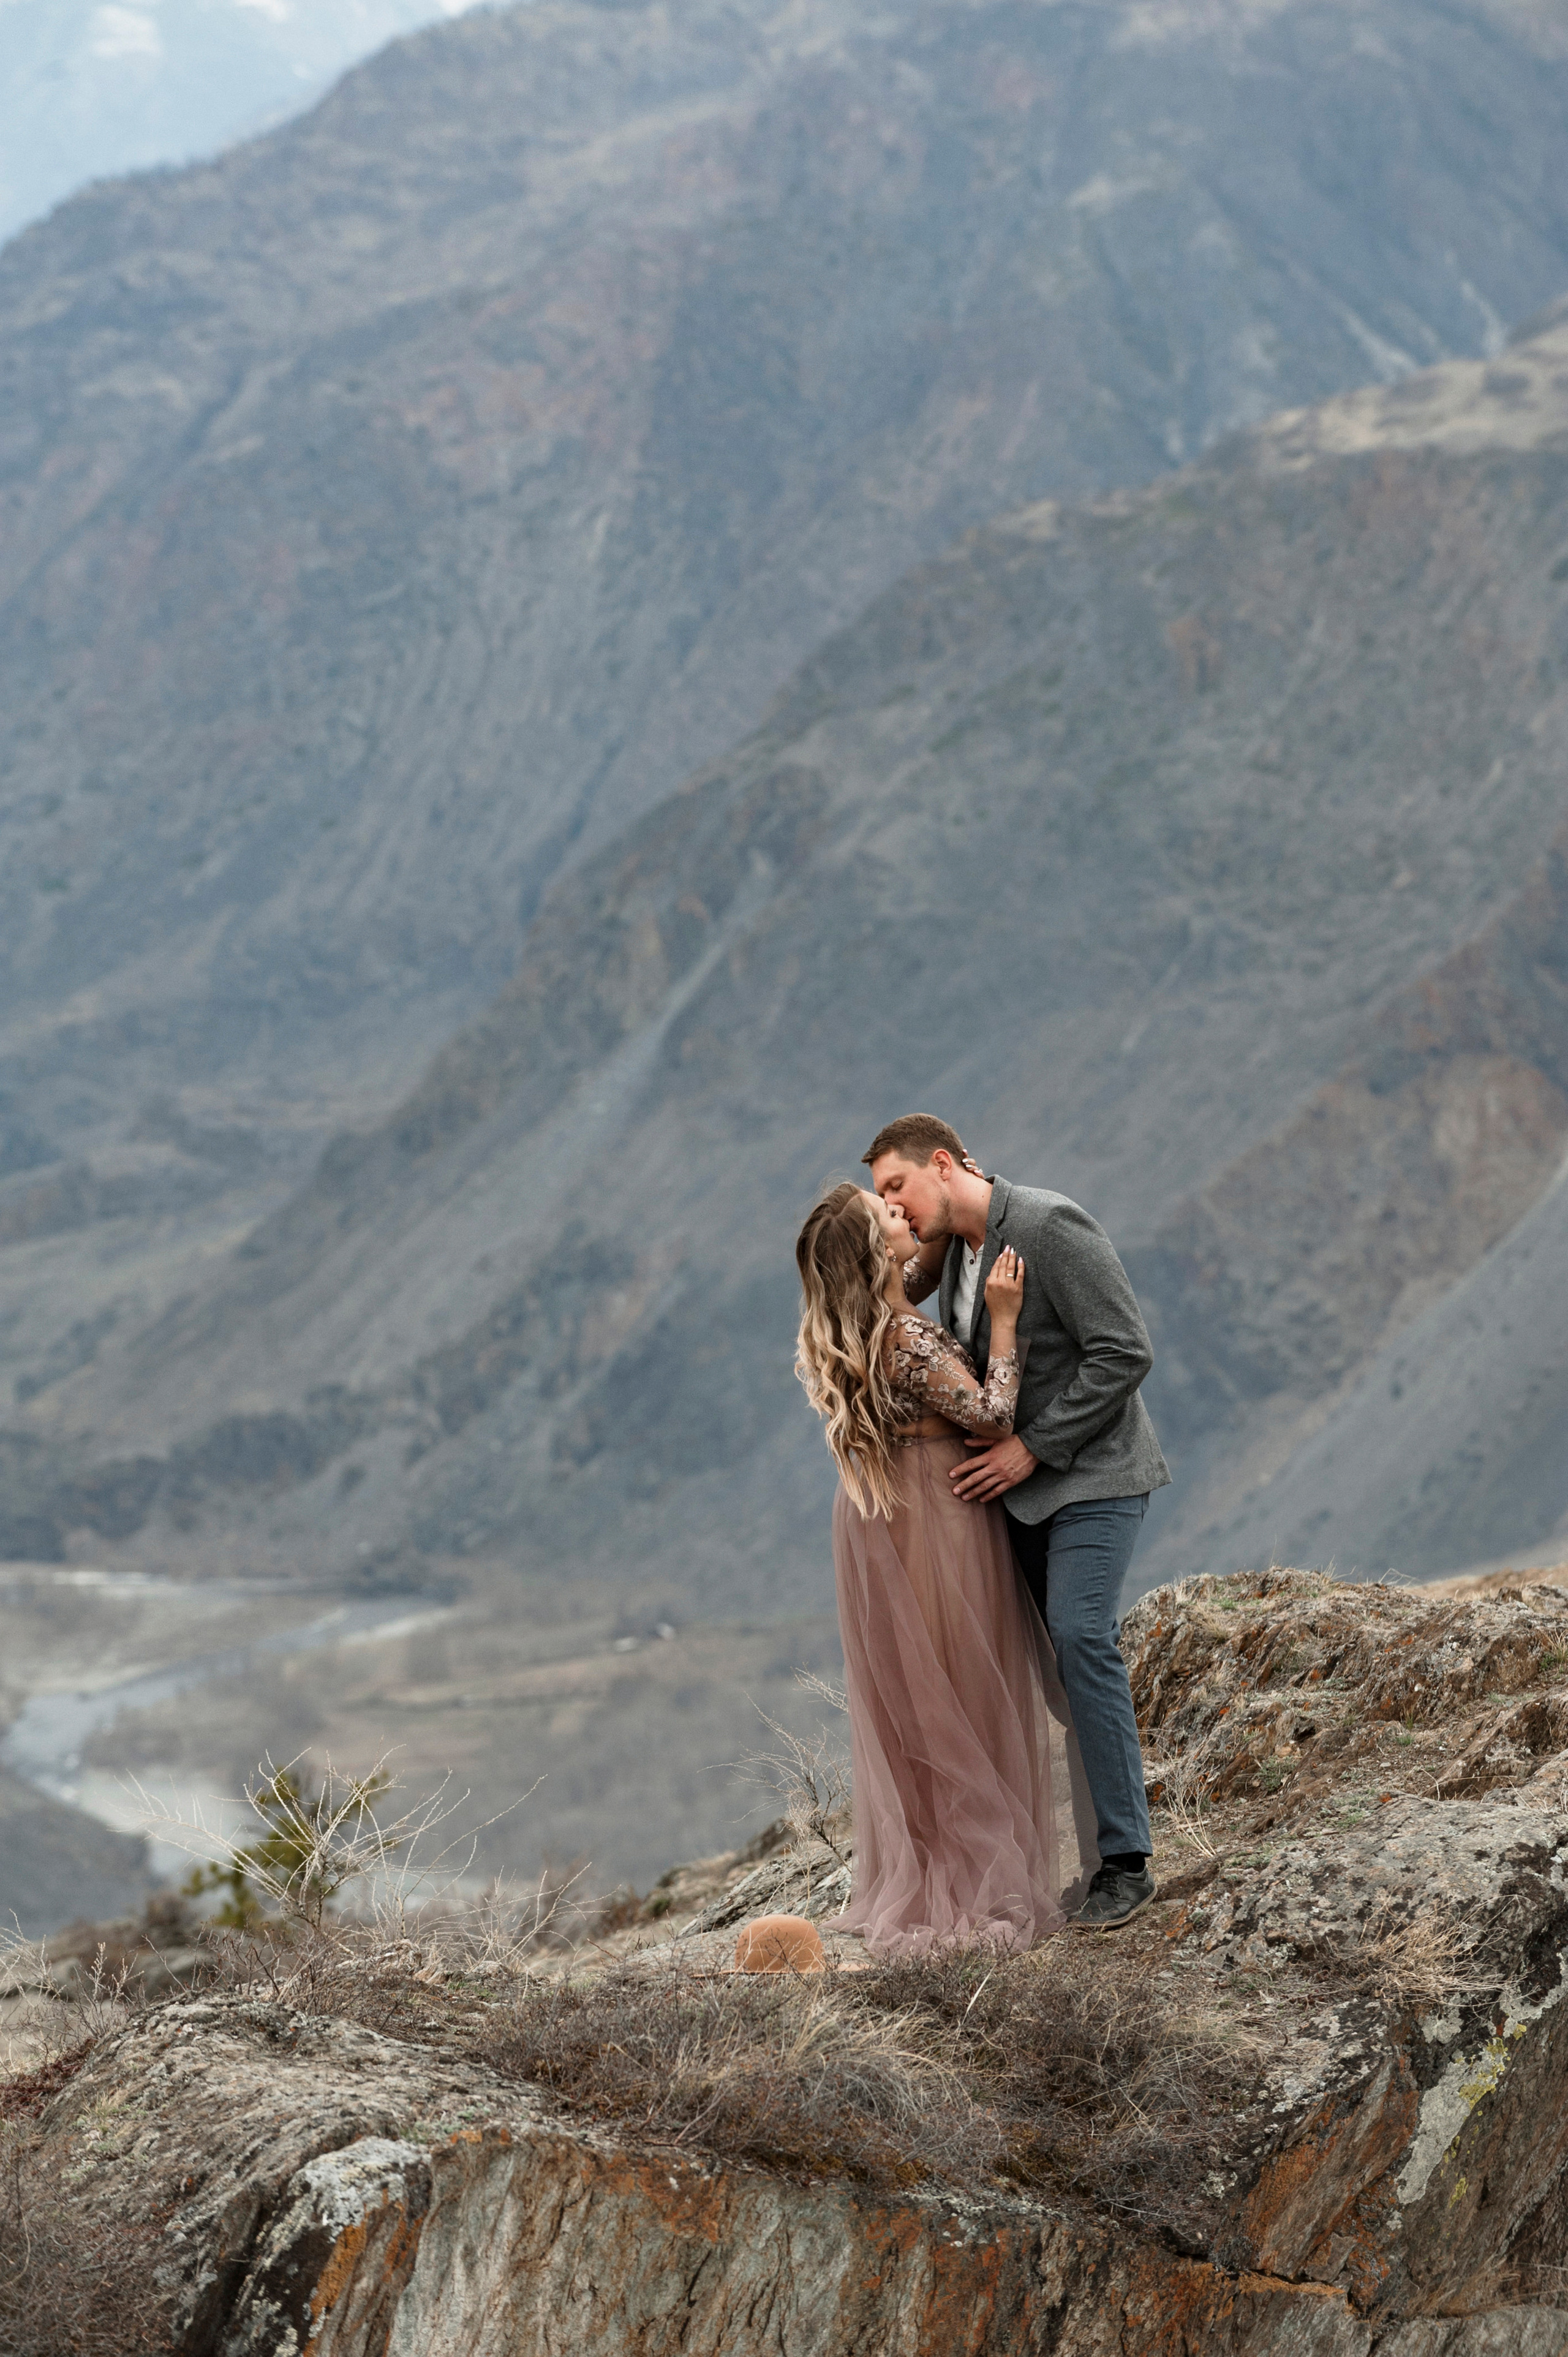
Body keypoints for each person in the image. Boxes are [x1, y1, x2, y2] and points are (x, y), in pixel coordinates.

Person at [865, 1113, 1170, 1931]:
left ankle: (1127, 1865)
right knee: (1050, 1675)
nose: (889, 1205)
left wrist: (1031, 1448)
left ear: (941, 1161)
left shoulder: (1047, 1224)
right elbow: (888, 1292)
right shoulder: (957, 1250)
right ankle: (1093, 1858)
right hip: (1017, 1495)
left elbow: (1125, 1350)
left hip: (1094, 1475)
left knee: (1080, 1636)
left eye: (896, 1187)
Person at [794, 1180, 1095, 1958]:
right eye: (886, 1213)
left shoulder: (868, 1331)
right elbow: (991, 1414)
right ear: (873, 1253)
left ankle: (938, 1863)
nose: (900, 1214)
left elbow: (912, 1284)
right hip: (933, 1517)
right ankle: (976, 1879)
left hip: (879, 1521)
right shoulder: (908, 1339)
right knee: (960, 1689)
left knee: (920, 1698)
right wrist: (1002, 1324)